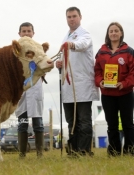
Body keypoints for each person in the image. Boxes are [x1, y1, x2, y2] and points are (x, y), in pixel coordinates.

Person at [56, 7, 99, 156]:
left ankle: (84, 150)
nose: (71, 19)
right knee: (71, 120)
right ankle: (73, 149)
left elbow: (81, 45)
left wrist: (71, 45)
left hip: (82, 84)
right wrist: (59, 64)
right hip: (68, 86)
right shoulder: (66, 36)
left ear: (80, 17)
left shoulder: (84, 34)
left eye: (74, 16)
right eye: (69, 17)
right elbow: (66, 58)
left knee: (83, 120)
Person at [94, 22, 134, 156]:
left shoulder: (129, 51)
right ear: (108, 34)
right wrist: (100, 82)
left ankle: (130, 151)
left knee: (128, 123)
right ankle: (114, 152)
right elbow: (97, 71)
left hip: (125, 93)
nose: (114, 33)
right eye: (111, 31)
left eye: (116, 30)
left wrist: (125, 83)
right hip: (107, 94)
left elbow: (133, 72)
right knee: (112, 125)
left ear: (121, 33)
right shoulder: (101, 52)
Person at [15, 22, 46, 158]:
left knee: (38, 123)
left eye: (29, 31)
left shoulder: (39, 50)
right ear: (19, 34)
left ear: (33, 33)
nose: (26, 33)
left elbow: (45, 65)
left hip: (35, 88)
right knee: (22, 123)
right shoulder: (15, 51)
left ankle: (39, 153)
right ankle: (22, 153)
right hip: (21, 89)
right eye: (24, 31)